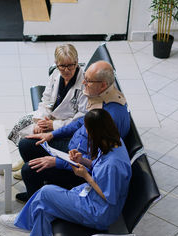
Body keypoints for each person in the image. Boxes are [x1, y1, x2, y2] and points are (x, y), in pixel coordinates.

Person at [0, 109, 132, 236]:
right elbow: (98, 167)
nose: (86, 134)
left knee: (47, 193)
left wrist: (86, 176)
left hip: (98, 212)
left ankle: (25, 222)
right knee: (45, 206)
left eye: (88, 131)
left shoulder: (114, 164)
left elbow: (109, 196)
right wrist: (83, 160)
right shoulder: (112, 142)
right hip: (89, 197)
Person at [15, 60, 130, 202]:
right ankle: (41, 184)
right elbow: (80, 123)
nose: (83, 83)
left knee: (30, 170)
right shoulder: (102, 100)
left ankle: (38, 202)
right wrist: (52, 134)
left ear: (103, 85)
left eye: (88, 81)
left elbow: (94, 166)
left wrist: (57, 162)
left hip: (79, 168)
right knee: (27, 144)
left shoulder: (111, 118)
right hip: (74, 150)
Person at [8, 44, 88, 176]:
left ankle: (30, 165)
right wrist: (41, 119)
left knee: (33, 137)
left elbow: (81, 118)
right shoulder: (56, 74)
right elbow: (46, 99)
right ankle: (26, 158)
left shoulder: (84, 84)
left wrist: (53, 125)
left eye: (70, 66)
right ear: (56, 64)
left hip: (65, 125)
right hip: (50, 116)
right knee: (23, 124)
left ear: (77, 62)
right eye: (62, 66)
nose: (66, 70)